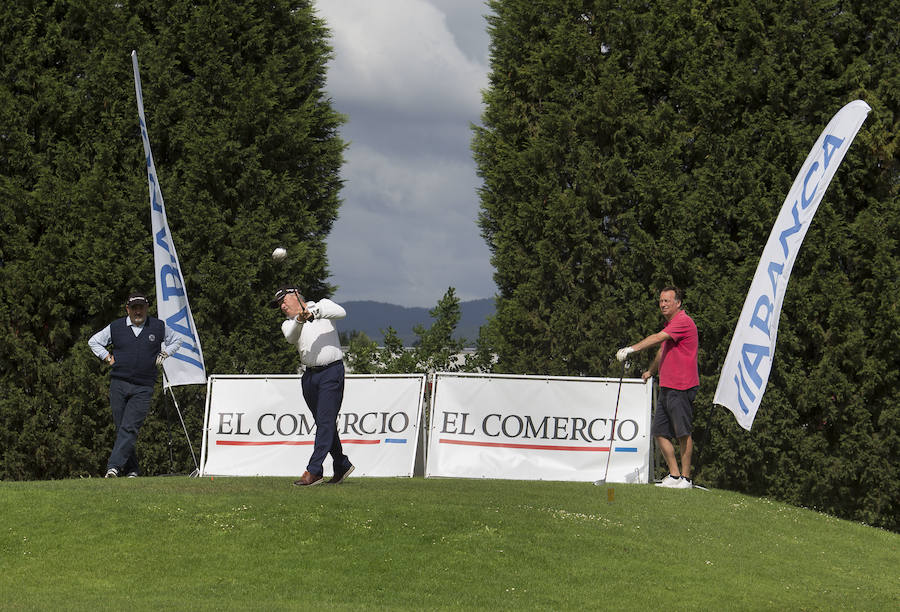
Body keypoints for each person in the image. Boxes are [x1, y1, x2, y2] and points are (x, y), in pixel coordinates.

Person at [88, 292, 183, 478]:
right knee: (122, 427)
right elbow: (94, 341)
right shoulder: (116, 327)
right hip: (119, 384)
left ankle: (113, 467)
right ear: (128, 309)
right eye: (134, 308)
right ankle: (132, 470)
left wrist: (165, 354)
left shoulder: (157, 326)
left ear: (147, 308)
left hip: (144, 386)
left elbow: (177, 340)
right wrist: (107, 357)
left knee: (130, 427)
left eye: (141, 307)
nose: (138, 311)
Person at [616, 286, 699, 489]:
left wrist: (631, 349)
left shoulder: (682, 321)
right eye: (661, 301)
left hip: (682, 385)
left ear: (678, 303)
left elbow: (656, 339)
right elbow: (663, 351)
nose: (662, 304)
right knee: (660, 432)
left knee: (682, 433)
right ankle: (674, 474)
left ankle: (686, 479)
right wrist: (651, 371)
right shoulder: (670, 325)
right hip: (667, 385)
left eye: (667, 301)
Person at [272, 286, 354, 487]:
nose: (282, 306)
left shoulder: (322, 306)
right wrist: (300, 319)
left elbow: (341, 312)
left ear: (296, 297)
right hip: (309, 376)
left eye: (284, 301)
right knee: (323, 422)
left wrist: (313, 313)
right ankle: (342, 464)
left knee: (325, 422)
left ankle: (314, 471)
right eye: (279, 304)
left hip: (331, 372)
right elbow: (291, 337)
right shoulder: (288, 323)